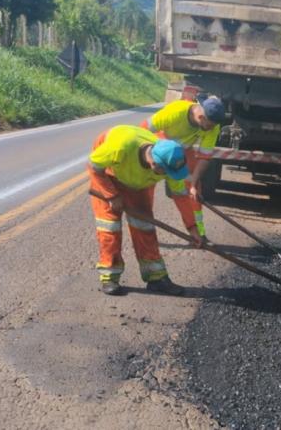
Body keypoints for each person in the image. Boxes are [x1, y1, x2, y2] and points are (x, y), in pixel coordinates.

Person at [87, 125, 205, 297]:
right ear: (154, 162)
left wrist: (192, 228)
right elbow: (94, 166)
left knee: (145, 228)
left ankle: (156, 278)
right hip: (108, 174)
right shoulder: (121, 146)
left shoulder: (168, 160)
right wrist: (111, 195)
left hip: (137, 183)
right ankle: (109, 277)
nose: (169, 175)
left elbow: (180, 195)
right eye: (166, 172)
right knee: (109, 228)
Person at [141, 96, 227, 236]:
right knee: (145, 189)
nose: (212, 129)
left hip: (182, 151)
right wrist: (149, 158)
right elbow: (142, 130)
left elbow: (205, 157)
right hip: (158, 148)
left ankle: (198, 232)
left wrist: (193, 181)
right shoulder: (175, 111)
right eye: (210, 125)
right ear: (200, 117)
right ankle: (145, 230)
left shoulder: (213, 126)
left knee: (193, 190)